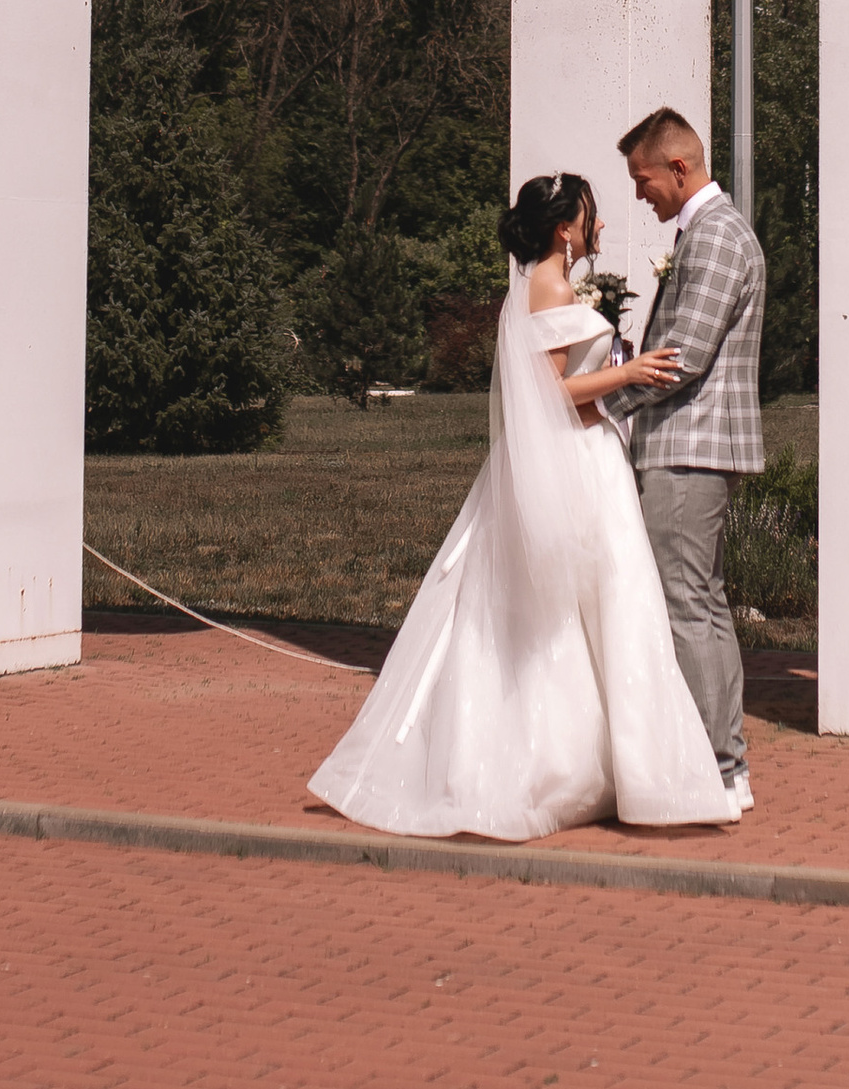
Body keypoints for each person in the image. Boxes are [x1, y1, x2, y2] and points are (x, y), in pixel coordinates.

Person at [309, 172, 738, 841]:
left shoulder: (551, 285)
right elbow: (552, 392)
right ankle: (564, 767)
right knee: (583, 607)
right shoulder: (551, 284)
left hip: (589, 457)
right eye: (591, 215)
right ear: (564, 227)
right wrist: (628, 370)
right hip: (572, 458)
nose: (599, 226)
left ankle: (606, 765)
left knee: (600, 609)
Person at [610, 107, 764, 816]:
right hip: (689, 444)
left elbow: (684, 355)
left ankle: (719, 766)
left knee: (686, 605)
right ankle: (723, 762)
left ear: (679, 168)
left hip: (688, 446)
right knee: (701, 601)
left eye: (644, 180)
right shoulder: (707, 232)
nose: (641, 195)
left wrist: (609, 405)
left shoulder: (717, 234)